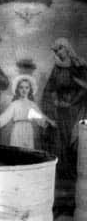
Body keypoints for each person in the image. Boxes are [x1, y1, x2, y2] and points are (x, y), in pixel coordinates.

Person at [41, 38, 87, 178]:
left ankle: (75, 172)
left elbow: (85, 88)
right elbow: (50, 88)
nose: (58, 53)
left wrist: (72, 102)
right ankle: (63, 172)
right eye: (56, 51)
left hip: (76, 109)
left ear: (67, 48)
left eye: (60, 49)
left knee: (75, 138)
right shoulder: (57, 68)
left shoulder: (78, 65)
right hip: (61, 109)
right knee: (61, 139)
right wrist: (55, 101)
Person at [0, 76, 54, 150]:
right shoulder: (15, 104)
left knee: (28, 150)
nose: (24, 90)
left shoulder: (32, 104)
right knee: (16, 149)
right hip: (17, 130)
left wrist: (49, 121)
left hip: (28, 130)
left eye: (27, 88)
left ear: (30, 89)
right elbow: (6, 115)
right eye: (21, 87)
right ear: (17, 89)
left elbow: (40, 116)